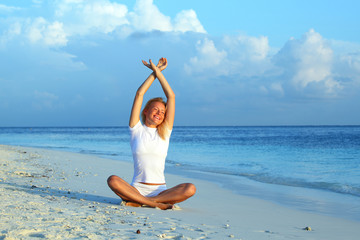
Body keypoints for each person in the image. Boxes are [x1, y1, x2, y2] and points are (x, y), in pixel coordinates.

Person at [107, 58, 196, 210]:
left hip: (161, 190)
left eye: (162, 111)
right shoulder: (136, 129)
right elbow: (139, 94)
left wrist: (158, 71)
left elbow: (171, 97)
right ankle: (153, 204)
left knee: (190, 188)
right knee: (112, 180)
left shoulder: (165, 131)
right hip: (136, 189)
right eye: (155, 109)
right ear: (146, 111)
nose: (159, 113)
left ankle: (145, 201)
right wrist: (154, 73)